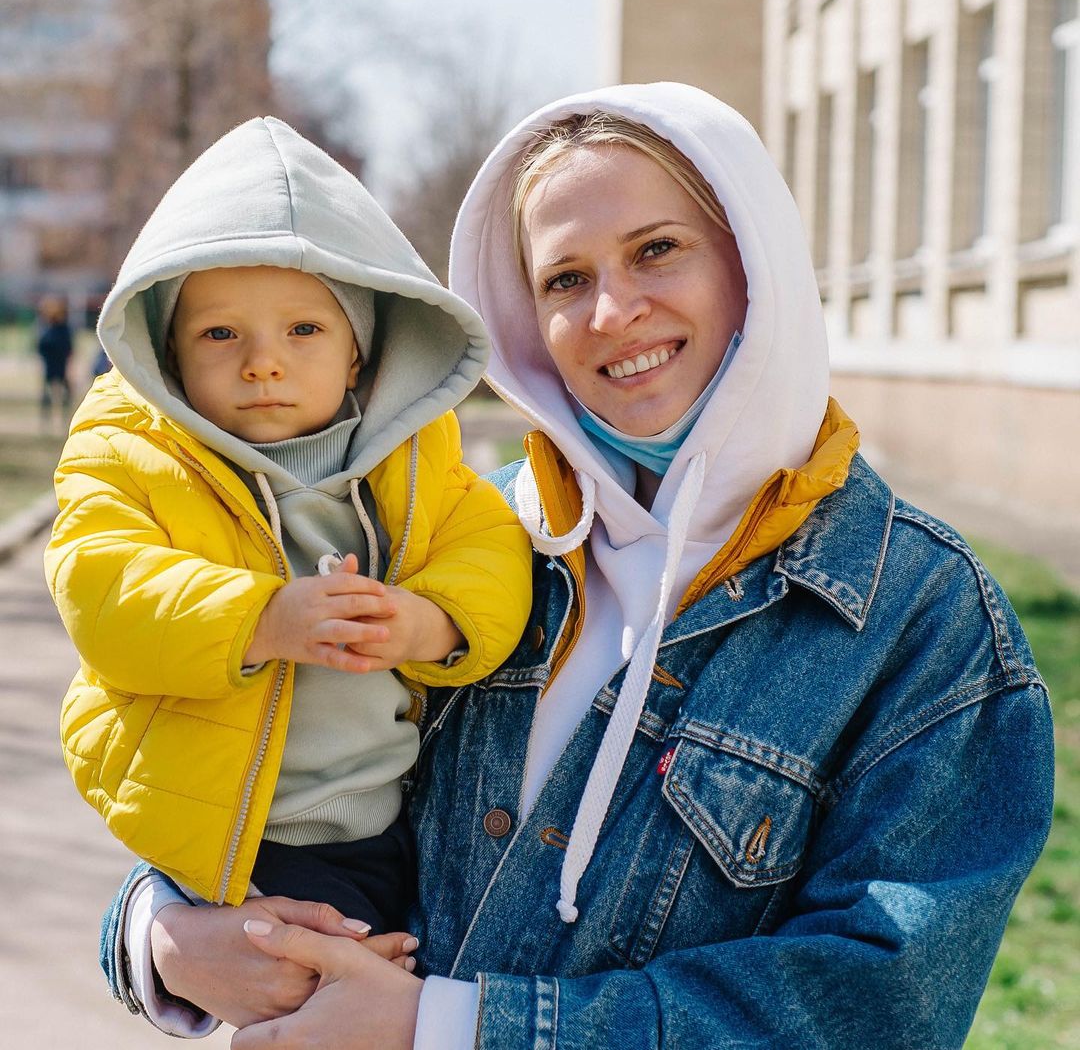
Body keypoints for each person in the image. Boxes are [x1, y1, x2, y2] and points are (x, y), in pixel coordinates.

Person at [99, 84, 1054, 1049]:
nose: (612, 311)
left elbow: (881, 1003)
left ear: (754, 259)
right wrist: (161, 933)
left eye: (656, 249)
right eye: (563, 279)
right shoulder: (461, 539)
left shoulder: (923, 616)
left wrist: (449, 1025)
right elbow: (256, 769)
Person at [46, 117, 532, 947]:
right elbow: (103, 583)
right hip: (240, 826)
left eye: (304, 330)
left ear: (359, 355)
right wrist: (263, 617)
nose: (262, 362)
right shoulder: (130, 451)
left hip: (394, 816)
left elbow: (490, 547)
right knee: (317, 991)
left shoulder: (410, 457)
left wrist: (430, 620)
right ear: (168, 354)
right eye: (220, 333)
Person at [36, 294, 74, 428]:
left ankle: (65, 417)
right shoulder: (49, 329)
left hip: (59, 366)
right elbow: (41, 347)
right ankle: (46, 419)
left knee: (64, 393)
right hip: (52, 366)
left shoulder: (61, 329)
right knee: (48, 393)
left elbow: (68, 348)